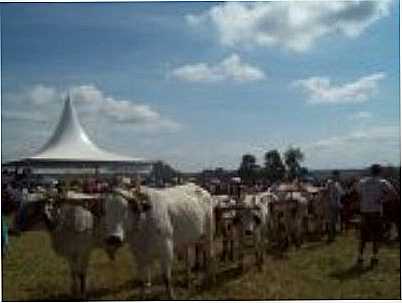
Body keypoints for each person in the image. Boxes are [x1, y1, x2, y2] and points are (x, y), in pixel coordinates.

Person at [355, 164, 398, 267]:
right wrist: (382, 200)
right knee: (376, 236)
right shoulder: (382, 182)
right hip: (376, 212)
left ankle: (360, 257)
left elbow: (358, 193)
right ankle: (374, 257)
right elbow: (394, 194)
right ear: (380, 172)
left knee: (363, 237)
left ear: (371, 171)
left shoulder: (362, 182)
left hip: (364, 212)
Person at [325, 170, 344, 242]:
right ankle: (331, 236)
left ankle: (332, 236)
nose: (337, 177)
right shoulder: (330, 183)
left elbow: (341, 193)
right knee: (331, 221)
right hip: (332, 204)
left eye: (337, 175)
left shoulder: (336, 184)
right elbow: (340, 193)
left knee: (334, 221)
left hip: (335, 204)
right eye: (337, 175)